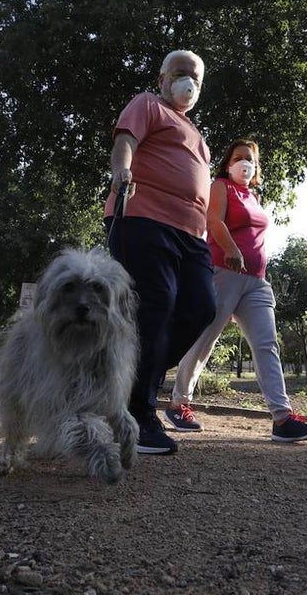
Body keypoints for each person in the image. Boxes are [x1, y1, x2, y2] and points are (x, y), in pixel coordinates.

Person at [164, 139, 307, 442]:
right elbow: (213, 221)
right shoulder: (221, 187)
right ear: (228, 163)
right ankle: (178, 403)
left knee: (267, 345)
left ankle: (282, 418)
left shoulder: (254, 196)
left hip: (257, 281)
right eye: (238, 158)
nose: (244, 162)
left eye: (249, 158)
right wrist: (231, 248)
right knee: (204, 340)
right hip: (224, 272)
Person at [105, 50, 217, 456]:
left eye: (196, 78)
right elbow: (125, 142)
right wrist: (122, 171)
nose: (189, 82)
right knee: (157, 305)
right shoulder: (148, 104)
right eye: (181, 73)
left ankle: (124, 377)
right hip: (143, 218)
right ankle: (136, 414)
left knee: (203, 308)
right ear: (163, 77)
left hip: (191, 235)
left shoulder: (199, 136)